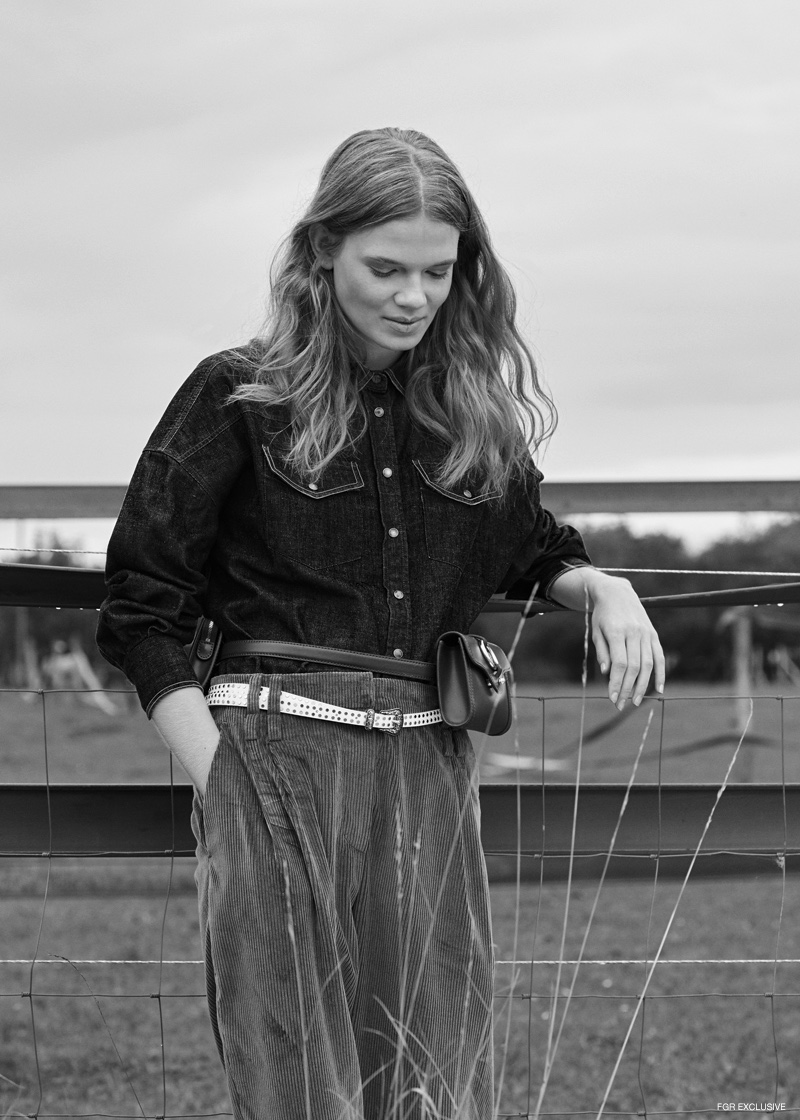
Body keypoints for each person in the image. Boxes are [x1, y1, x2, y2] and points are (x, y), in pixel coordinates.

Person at [96, 127, 664, 1120]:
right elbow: (143, 603)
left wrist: (600, 588)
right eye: (385, 267)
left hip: (430, 762)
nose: (413, 295)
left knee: (439, 1066)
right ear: (323, 253)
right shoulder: (238, 395)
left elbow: (537, 546)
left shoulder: (469, 410)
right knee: (296, 1074)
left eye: (437, 271)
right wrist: (223, 778)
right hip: (274, 753)